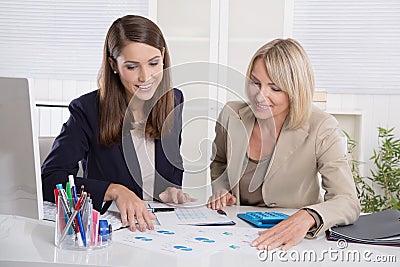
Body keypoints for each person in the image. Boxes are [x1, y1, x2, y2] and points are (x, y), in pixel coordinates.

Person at [42, 15, 195, 232]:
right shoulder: (87, 110)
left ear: (163, 57)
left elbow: (173, 164)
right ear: (114, 64)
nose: (146, 77)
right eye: (132, 67)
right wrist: (113, 190)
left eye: (153, 63)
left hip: (160, 226)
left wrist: (170, 190)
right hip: (112, 229)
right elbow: (49, 179)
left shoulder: (174, 100)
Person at [207, 38, 360, 250]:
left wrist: (308, 216)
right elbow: (219, 163)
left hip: (295, 239)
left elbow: (347, 200)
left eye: (275, 88)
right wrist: (221, 189)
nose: (260, 96)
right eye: (255, 82)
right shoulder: (232, 114)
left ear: (296, 90)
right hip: (236, 234)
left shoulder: (321, 127)